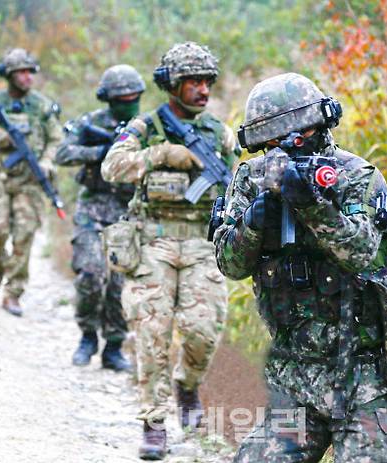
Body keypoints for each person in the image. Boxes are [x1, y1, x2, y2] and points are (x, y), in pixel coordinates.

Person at [213, 73, 387, 462]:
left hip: (363, 380)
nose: (277, 155)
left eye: (288, 142)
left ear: (315, 129)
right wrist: (253, 223)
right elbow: (229, 264)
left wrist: (312, 204)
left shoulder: (355, 176)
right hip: (294, 378)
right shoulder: (252, 181)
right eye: (266, 146)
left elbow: (363, 253)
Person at [101, 42, 240, 460]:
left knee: (203, 332)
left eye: (207, 82)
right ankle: (153, 424)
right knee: (151, 336)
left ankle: (188, 386)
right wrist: (162, 154)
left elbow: (238, 182)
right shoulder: (146, 127)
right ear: (173, 85)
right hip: (153, 245)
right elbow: (112, 167)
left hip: (201, 244)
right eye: (193, 82)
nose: (202, 90)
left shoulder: (218, 132)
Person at [55, 65, 145, 371]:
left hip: (127, 214)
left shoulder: (145, 126)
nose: (128, 102)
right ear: (107, 98)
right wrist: (102, 153)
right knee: (92, 273)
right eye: (121, 98)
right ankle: (88, 336)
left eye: (133, 97)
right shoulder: (90, 123)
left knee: (119, 285)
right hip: (93, 209)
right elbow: (63, 154)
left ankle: (114, 347)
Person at [0, 48, 63, 317]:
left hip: (29, 181)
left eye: (30, 71)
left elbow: (57, 139)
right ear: (9, 75)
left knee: (25, 235)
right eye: (21, 72)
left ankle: (13, 292)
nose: (28, 77)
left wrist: (45, 163)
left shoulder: (42, 106)